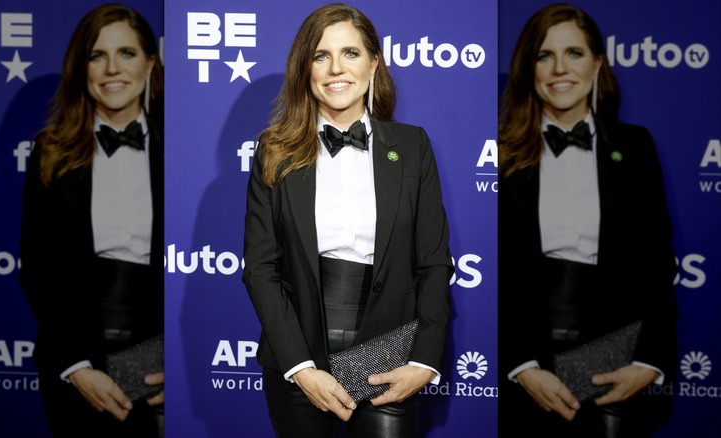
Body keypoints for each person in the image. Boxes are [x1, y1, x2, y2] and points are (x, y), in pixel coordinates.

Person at [242, 3, 452, 437]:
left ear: (374, 63)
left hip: (387, 359)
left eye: (351, 54)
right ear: (305, 68)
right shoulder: (274, 151)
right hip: (301, 359)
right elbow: (261, 268)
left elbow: (433, 261)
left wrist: (424, 360)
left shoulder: (412, 146)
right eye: (321, 56)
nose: (336, 68)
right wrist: (300, 367)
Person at [498, 3, 679, 437]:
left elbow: (658, 264)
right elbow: (502, 273)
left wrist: (649, 361)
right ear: (529, 68)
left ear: (597, 63)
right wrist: (521, 366)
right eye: (545, 55)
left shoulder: (635, 147)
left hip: (615, 359)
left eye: (574, 53)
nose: (560, 68)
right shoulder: (503, 154)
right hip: (530, 363)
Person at [18, 4, 164, 437]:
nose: (111, 69)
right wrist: (76, 366)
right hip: (76, 357)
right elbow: (37, 267)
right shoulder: (51, 151)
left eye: (127, 54)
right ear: (81, 67)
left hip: (156, 361)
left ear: (150, 63)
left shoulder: (176, 147)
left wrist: (173, 360)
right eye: (96, 55)